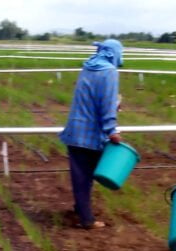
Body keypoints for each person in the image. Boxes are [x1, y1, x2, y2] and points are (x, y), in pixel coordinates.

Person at [59, 39, 124, 229]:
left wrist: (113, 107)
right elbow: (105, 104)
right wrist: (112, 130)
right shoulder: (110, 72)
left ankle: (80, 209)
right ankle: (86, 219)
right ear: (114, 53)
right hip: (90, 134)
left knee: (81, 175)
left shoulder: (88, 67)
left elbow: (92, 99)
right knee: (87, 176)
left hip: (75, 131)